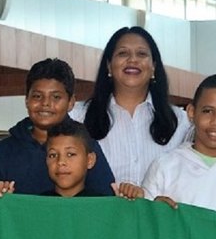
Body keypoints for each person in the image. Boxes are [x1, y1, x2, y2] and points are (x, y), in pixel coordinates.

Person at [120, 74, 216, 222]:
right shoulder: (165, 166)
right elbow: (144, 225)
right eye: (207, 111)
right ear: (192, 112)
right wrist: (154, 211)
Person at [71, 26, 190, 184]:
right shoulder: (78, 117)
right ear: (108, 66)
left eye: (141, 54)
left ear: (154, 66)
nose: (133, 60)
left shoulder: (181, 122)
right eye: (123, 53)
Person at [0, 58, 114, 195]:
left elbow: (104, 202)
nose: (46, 103)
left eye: (56, 97)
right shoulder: (3, 151)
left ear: (71, 102)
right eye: (37, 96)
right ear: (26, 100)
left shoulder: (86, 143)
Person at [0, 119, 102, 198]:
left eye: (70, 154)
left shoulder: (104, 206)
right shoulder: (34, 207)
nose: (61, 162)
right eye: (53, 155)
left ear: (90, 160)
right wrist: (2, 201)